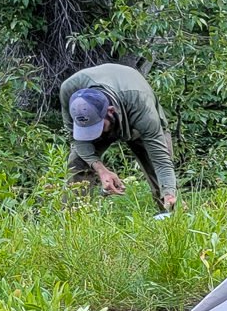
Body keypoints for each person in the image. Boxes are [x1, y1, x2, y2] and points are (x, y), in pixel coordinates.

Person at [59, 63, 178, 212]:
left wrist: (169, 192)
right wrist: (101, 170)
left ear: (110, 111)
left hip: (135, 117)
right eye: (86, 130)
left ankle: (169, 216)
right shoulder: (69, 91)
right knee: (78, 163)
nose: (93, 134)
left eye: (96, 127)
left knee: (162, 179)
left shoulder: (141, 105)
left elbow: (161, 160)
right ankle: (73, 220)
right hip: (110, 112)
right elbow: (76, 140)